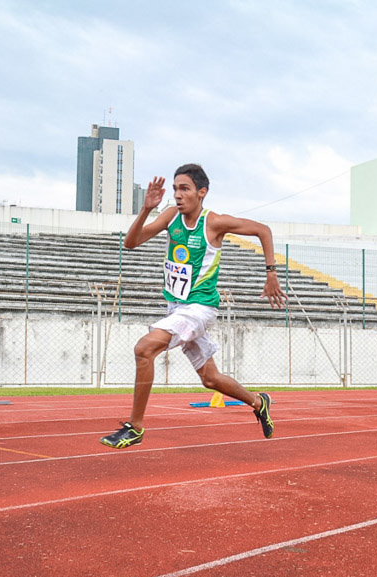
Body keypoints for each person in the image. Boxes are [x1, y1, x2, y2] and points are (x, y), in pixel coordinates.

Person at [101, 164, 288, 449]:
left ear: (201, 193)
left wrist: (271, 273)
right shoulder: (170, 217)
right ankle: (258, 401)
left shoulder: (213, 222)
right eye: (175, 188)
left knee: (144, 348)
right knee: (210, 379)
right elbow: (131, 243)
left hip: (199, 308)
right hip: (176, 308)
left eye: (184, 189)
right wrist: (146, 210)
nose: (178, 195)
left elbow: (263, 230)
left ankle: (135, 426)